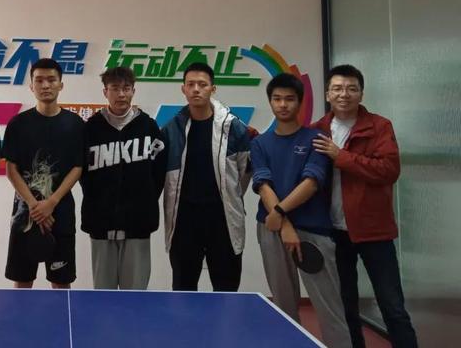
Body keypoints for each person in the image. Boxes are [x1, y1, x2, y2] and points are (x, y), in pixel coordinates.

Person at [313, 65, 418, 348]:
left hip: (374, 230)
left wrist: (341, 156)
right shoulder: (317, 130)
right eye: (337, 88)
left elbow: (389, 170)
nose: (344, 94)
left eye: (351, 88)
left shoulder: (380, 126)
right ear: (327, 94)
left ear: (361, 93)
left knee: (392, 306)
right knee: (345, 304)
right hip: (333, 231)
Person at [252, 73, 351, 348]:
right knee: (283, 307)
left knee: (330, 308)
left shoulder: (317, 138)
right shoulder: (260, 143)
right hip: (272, 230)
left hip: (313, 231)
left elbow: (311, 183)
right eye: (277, 99)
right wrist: (283, 224)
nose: (283, 104)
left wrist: (279, 212)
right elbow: (263, 185)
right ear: (270, 102)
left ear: (300, 102)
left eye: (289, 99)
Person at [161, 62, 252, 291]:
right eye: (190, 84)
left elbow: (244, 173)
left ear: (213, 88)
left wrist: (230, 196)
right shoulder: (172, 129)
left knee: (226, 290)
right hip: (184, 221)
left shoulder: (234, 128)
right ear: (183, 89)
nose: (196, 89)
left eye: (202, 84)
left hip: (223, 219)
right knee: (183, 289)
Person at [3, 58, 85, 288]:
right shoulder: (18, 124)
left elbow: (77, 167)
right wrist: (34, 205)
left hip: (61, 213)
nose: (46, 85)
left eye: (51, 80)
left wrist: (52, 202)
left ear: (61, 84)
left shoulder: (75, 124)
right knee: (22, 280)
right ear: (31, 86)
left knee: (61, 282)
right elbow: (11, 169)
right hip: (25, 214)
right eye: (39, 80)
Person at [81, 66, 166, 289]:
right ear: (105, 92)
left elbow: (159, 172)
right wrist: (98, 202)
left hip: (138, 224)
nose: (121, 94)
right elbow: (83, 174)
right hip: (100, 223)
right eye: (115, 88)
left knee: (135, 294)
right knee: (103, 293)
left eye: (126, 88)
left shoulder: (148, 127)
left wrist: (145, 200)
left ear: (133, 91)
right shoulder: (91, 129)